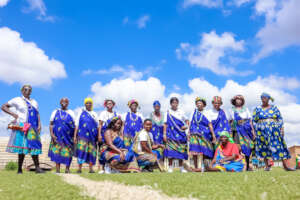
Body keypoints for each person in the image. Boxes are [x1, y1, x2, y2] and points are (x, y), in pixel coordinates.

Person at [1, 85, 44, 173]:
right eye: (25, 89)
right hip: (22, 126)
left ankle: (37, 168)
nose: (27, 91)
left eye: (29, 90)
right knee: (22, 147)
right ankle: (19, 169)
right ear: (22, 91)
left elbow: (37, 114)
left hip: (33, 127)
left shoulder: (34, 102)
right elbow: (3, 106)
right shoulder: (17, 100)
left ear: (31, 91)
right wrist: (13, 114)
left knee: (34, 146)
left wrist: (39, 124)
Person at [253, 93, 295, 171]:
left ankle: (285, 166)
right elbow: (254, 120)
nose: (263, 99)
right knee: (263, 147)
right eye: (262, 97)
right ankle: (267, 166)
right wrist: (255, 131)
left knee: (279, 146)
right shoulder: (257, 108)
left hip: (274, 130)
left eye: (265, 97)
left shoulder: (274, 108)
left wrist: (281, 129)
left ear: (269, 99)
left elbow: (280, 118)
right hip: (261, 130)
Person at [48, 98, 75, 173]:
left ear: (68, 103)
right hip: (57, 136)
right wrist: (52, 134)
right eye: (63, 101)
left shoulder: (71, 112)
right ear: (60, 102)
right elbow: (51, 124)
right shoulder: (55, 111)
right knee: (57, 152)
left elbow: (75, 125)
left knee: (68, 152)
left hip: (68, 137)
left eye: (66, 101)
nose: (64, 103)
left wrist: (74, 136)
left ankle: (67, 169)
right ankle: (57, 170)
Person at [229, 95, 256, 171]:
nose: (238, 101)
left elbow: (250, 120)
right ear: (234, 101)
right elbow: (229, 121)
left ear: (242, 101)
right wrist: (229, 132)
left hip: (246, 129)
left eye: (240, 99)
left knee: (247, 147)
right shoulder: (231, 110)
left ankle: (247, 166)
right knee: (238, 148)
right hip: (236, 129)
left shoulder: (246, 109)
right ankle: (239, 166)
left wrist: (253, 131)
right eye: (237, 99)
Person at [189, 97, 216, 171]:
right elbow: (190, 123)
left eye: (200, 103)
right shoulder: (193, 112)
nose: (198, 104)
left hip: (205, 134)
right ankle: (195, 167)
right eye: (197, 103)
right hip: (194, 133)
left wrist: (213, 135)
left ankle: (203, 167)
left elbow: (210, 125)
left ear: (204, 105)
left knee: (204, 151)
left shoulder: (207, 113)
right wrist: (188, 133)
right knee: (194, 151)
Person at [163, 97, 189, 173]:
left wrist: (186, 126)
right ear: (170, 104)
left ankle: (181, 168)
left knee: (181, 151)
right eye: (173, 103)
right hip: (171, 134)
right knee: (171, 151)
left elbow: (187, 120)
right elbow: (165, 124)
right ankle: (170, 167)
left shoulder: (181, 111)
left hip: (180, 134)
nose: (174, 104)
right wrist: (164, 134)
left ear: (178, 103)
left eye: (176, 102)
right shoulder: (167, 112)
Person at [74, 98, 99, 173]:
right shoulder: (80, 113)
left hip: (92, 137)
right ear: (85, 104)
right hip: (82, 136)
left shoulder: (94, 114)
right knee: (81, 151)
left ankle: (91, 169)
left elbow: (97, 126)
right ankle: (79, 169)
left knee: (92, 152)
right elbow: (77, 125)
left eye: (90, 103)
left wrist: (98, 136)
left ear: (92, 104)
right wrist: (75, 136)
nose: (88, 104)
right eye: (87, 103)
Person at [98, 99, 118, 174]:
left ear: (113, 105)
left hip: (112, 135)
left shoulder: (115, 114)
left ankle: (111, 168)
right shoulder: (103, 113)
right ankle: (102, 168)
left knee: (112, 150)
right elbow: (100, 125)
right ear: (105, 105)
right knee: (103, 150)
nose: (109, 105)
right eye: (108, 103)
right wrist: (99, 135)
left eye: (111, 103)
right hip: (104, 134)